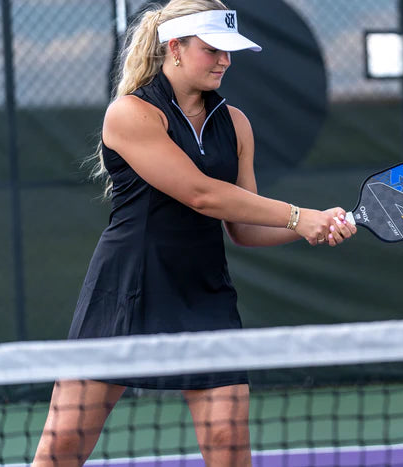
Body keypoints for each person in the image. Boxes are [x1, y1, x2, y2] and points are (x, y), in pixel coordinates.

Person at [32, 1, 356, 465]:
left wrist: (314, 228)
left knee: (227, 440)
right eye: (213, 50)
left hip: (204, 293)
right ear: (175, 48)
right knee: (63, 444)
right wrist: (297, 215)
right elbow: (201, 194)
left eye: (230, 51)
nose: (225, 60)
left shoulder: (236, 124)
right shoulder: (130, 114)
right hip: (127, 287)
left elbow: (243, 228)